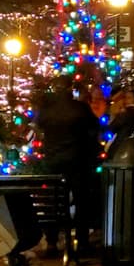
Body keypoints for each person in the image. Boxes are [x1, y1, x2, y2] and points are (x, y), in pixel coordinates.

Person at [34, 74, 102, 252]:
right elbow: (94, 127)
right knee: (81, 200)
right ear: (70, 88)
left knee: (54, 201)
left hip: (53, 161)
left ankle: (51, 240)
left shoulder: (47, 110)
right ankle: (82, 239)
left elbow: (38, 126)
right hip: (77, 159)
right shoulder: (79, 108)